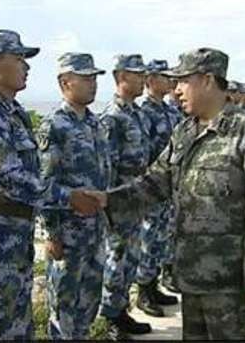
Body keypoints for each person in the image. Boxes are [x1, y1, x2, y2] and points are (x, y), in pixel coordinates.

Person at [93, 47, 245, 340]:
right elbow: (156, 182)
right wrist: (107, 200)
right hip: (191, 277)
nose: (176, 89)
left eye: (182, 81)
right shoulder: (185, 132)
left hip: (231, 284)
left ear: (207, 80)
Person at [0, 31, 103, 340]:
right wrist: (68, 198)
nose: (26, 66)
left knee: (18, 324)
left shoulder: (15, 115)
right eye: (19, 59)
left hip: (17, 230)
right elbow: (7, 177)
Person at [36, 52, 111, 339]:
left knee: (88, 304)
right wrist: (51, 233)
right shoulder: (54, 125)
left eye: (94, 78)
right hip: (68, 234)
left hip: (94, 231)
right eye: (86, 78)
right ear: (65, 82)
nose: (93, 84)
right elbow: (44, 182)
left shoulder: (95, 123)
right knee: (64, 306)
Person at [99, 54, 152, 340]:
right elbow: (107, 166)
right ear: (121, 77)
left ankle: (121, 310)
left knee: (131, 257)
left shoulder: (136, 113)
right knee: (116, 258)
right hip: (119, 200)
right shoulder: (112, 117)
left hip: (136, 198)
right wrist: (109, 205)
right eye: (137, 74)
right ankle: (110, 318)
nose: (143, 78)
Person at [136, 59, 181, 317]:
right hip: (153, 185)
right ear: (151, 80)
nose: (170, 81)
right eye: (165, 76)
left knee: (162, 235)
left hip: (170, 186)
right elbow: (143, 152)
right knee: (149, 236)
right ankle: (144, 289)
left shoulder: (170, 111)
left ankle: (154, 284)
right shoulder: (145, 111)